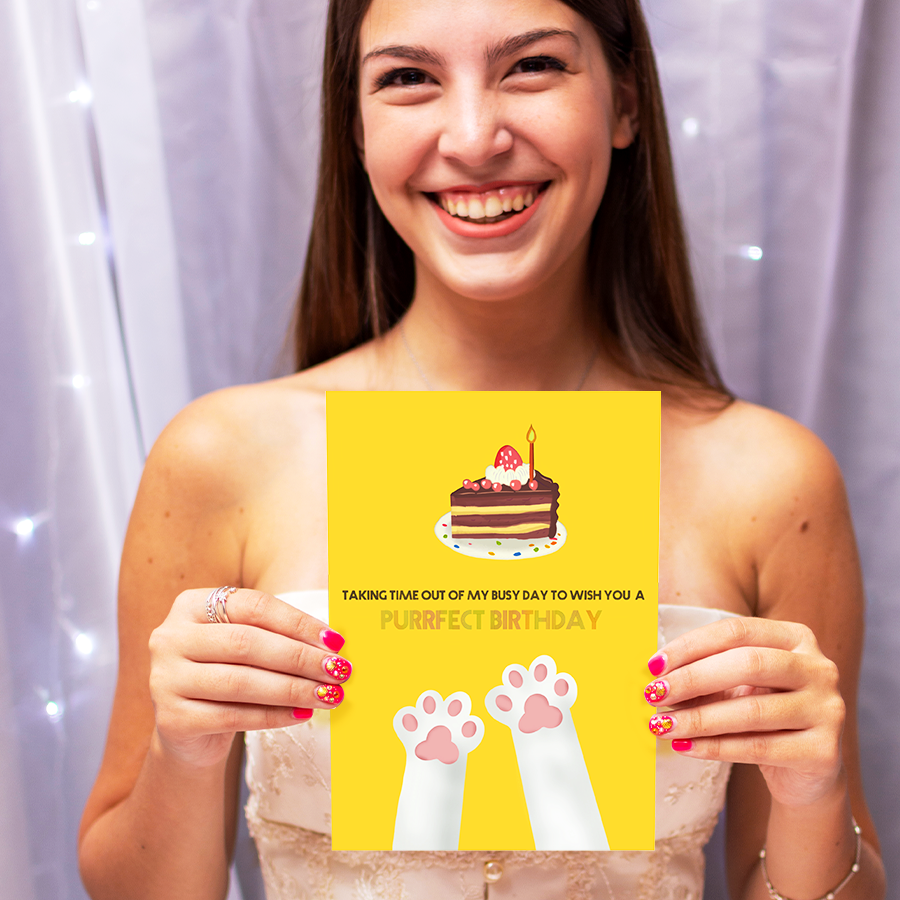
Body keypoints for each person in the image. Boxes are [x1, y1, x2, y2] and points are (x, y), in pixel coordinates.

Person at [78, 0, 887, 897]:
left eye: (532, 66)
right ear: (355, 127)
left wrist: (816, 792)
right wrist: (181, 749)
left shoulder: (773, 483)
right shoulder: (220, 458)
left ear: (624, 102)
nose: (471, 137)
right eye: (408, 78)